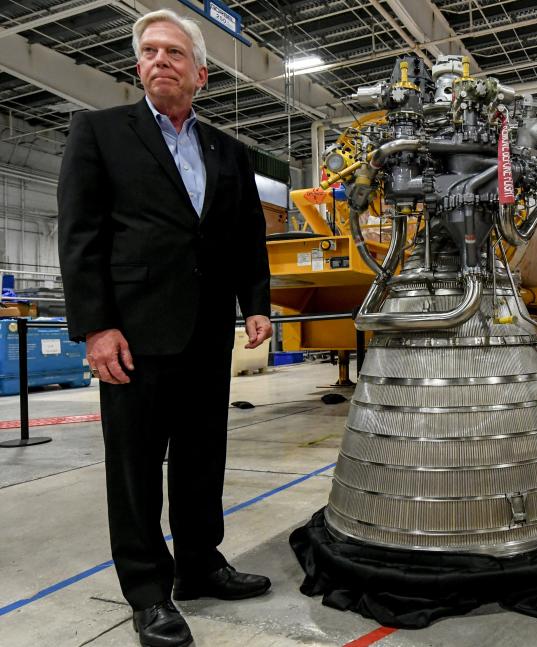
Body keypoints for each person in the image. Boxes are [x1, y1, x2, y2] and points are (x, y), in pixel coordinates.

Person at [57, 9, 273, 647]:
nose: (159, 61)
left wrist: (255, 302)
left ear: (201, 73)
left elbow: (244, 240)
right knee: (135, 467)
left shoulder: (229, 152)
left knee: (203, 458)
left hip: (208, 335)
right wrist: (96, 329)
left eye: (174, 53)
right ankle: (148, 591)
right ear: (138, 65)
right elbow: (81, 237)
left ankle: (201, 566)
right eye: (149, 51)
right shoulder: (99, 133)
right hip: (134, 337)